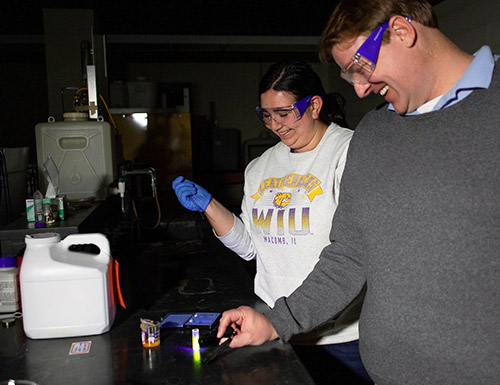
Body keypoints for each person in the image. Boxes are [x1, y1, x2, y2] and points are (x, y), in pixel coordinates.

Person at [217, 1, 500, 384]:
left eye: (360, 69)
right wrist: (275, 321)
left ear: (402, 32)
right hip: (385, 374)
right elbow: (349, 255)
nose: (362, 89)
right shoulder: (375, 134)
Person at [173, 61, 373, 384]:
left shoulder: (348, 152)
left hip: (340, 340)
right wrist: (209, 205)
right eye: (266, 114)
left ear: (315, 106)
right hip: (274, 330)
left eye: (284, 112)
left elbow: (354, 254)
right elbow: (250, 247)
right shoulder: (260, 168)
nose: (275, 124)